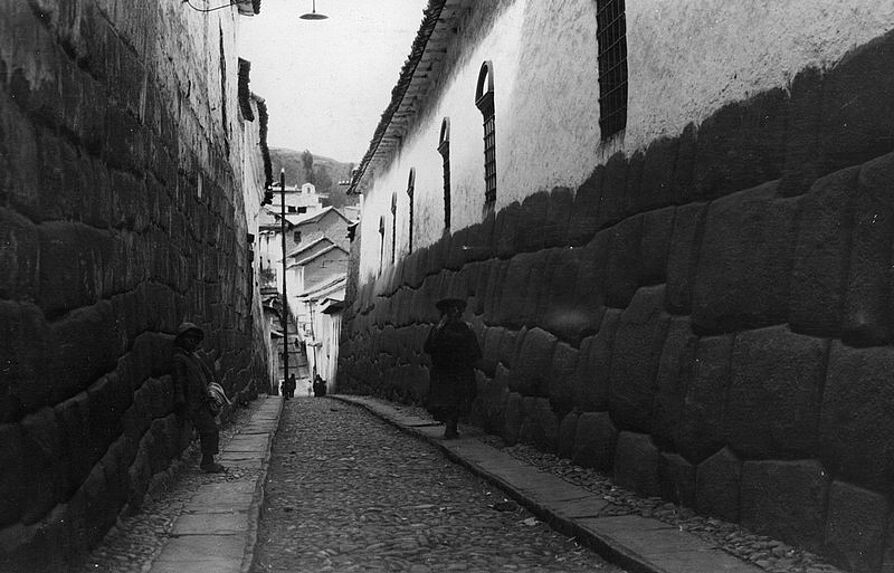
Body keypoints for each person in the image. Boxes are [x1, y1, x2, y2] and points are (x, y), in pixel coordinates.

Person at [423, 298, 481, 439]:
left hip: (445, 372)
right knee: (456, 399)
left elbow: (428, 348)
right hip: (458, 371)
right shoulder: (465, 329)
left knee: (448, 399)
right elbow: (475, 352)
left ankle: (450, 426)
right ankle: (451, 426)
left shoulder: (438, 330)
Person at [172, 322, 226, 473]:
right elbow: (179, 380)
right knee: (209, 430)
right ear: (181, 339)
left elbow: (207, 373)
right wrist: (181, 399)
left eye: (195, 339)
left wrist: (211, 389)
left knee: (210, 430)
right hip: (192, 403)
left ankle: (208, 460)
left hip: (202, 401)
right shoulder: (179, 358)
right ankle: (207, 462)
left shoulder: (194, 358)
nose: (192, 341)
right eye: (189, 338)